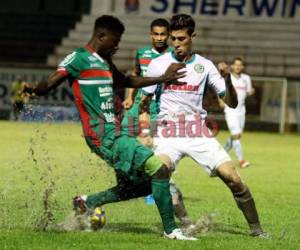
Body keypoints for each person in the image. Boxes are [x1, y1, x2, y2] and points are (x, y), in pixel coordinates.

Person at [23, 15, 196, 240]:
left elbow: (127, 81)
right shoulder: (79, 58)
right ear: (101, 36)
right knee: (160, 169)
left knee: (145, 186)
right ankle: (172, 231)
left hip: (116, 132)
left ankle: (87, 202)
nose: (117, 45)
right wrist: (35, 90)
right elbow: (51, 81)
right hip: (101, 134)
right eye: (115, 40)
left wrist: (163, 78)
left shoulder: (105, 62)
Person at [139, 14, 266, 237]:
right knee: (160, 173)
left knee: (233, 178)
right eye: (173, 39)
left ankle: (257, 230)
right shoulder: (158, 64)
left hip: (197, 131)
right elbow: (144, 102)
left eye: (181, 39)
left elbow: (232, 102)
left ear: (193, 36)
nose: (176, 44)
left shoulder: (205, 66)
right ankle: (183, 223)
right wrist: (144, 131)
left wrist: (227, 79)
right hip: (168, 131)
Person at [122, 18, 192, 228]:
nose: (160, 38)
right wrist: (129, 97)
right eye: (156, 34)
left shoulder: (174, 56)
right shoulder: (142, 54)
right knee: (127, 144)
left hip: (158, 109)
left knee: (151, 149)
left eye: (164, 34)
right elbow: (135, 76)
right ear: (151, 34)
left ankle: (163, 187)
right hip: (139, 106)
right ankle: (150, 185)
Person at [219, 58, 255, 168]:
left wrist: (251, 92)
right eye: (236, 65)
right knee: (236, 135)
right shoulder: (227, 77)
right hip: (230, 109)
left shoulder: (246, 78)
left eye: (240, 65)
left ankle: (220, 156)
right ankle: (241, 161)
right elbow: (220, 90)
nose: (238, 67)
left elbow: (248, 91)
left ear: (243, 67)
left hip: (241, 110)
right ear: (232, 66)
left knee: (235, 136)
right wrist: (220, 100)